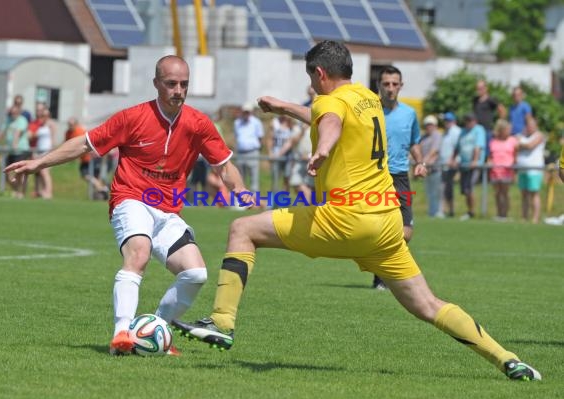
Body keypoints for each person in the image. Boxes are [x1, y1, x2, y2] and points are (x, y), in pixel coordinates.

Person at [171, 40, 540, 381]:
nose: (313, 88)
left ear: (319, 74)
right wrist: (284, 107)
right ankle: (507, 359)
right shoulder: (367, 98)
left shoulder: (328, 104)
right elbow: (329, 116)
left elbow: (328, 122)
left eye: (311, 79)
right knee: (428, 304)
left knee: (243, 229)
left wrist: (324, 149)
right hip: (386, 223)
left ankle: (221, 322)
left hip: (346, 219)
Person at [5, 55, 253, 356]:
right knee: (139, 254)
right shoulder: (133, 118)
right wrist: (40, 162)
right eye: (171, 83)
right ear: (156, 84)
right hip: (131, 199)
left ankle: (155, 331)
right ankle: (121, 333)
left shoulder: (198, 123)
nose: (178, 90)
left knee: (196, 273)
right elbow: (86, 144)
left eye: (184, 84)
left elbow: (224, 165)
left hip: (168, 212)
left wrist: (239, 189)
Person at [372, 65, 426, 289]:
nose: (390, 88)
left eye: (395, 84)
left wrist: (420, 162)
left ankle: (383, 272)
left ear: (401, 86)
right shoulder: (370, 111)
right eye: (386, 84)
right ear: (379, 86)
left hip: (400, 176)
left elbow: (414, 142)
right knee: (377, 228)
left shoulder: (409, 114)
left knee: (406, 232)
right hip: (374, 176)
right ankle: (382, 278)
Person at [450, 113, 486, 220]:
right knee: (465, 189)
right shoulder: (463, 131)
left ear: (475, 121)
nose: (468, 123)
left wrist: (475, 160)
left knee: (469, 187)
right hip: (464, 164)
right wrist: (453, 159)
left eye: (470, 120)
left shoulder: (479, 130)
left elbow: (477, 146)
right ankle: (469, 211)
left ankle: (471, 212)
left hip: (474, 165)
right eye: (466, 120)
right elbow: (457, 147)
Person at [65, 117, 109, 199]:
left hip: (91, 157)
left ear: (76, 124)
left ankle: (102, 191)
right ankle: (102, 191)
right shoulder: (68, 133)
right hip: (84, 158)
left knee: (87, 175)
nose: (70, 126)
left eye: (71, 124)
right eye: (69, 124)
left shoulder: (79, 131)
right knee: (88, 176)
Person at [516, 116, 546, 224]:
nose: (530, 127)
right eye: (528, 125)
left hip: (534, 170)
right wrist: (521, 144)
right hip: (522, 169)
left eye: (532, 125)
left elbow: (530, 145)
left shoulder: (539, 135)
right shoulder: (522, 135)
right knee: (523, 194)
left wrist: (521, 144)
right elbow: (515, 146)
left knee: (534, 193)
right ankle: (524, 217)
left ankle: (535, 218)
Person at [0, 105, 30, 198]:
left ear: (18, 113)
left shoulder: (22, 120)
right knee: (6, 173)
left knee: (19, 173)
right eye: (11, 113)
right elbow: (2, 132)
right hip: (10, 152)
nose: (13, 114)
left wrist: (15, 143)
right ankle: (16, 190)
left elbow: (18, 132)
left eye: (15, 113)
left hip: (21, 150)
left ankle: (21, 193)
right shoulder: (8, 120)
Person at [488, 119, 518, 221]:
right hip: (495, 171)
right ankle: (499, 213)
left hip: (507, 171)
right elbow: (490, 155)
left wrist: (514, 170)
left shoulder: (512, 140)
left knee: (505, 193)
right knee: (497, 193)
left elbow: (515, 156)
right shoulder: (493, 141)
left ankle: (505, 214)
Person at [234, 102, 264, 192]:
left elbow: (260, 137)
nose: (246, 114)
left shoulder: (256, 122)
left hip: (252, 152)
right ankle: (241, 201)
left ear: (251, 112)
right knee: (240, 178)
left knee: (254, 178)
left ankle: (255, 201)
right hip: (240, 152)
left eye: (248, 112)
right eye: (245, 112)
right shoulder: (237, 123)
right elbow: (236, 136)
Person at [31, 103, 57, 199]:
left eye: (45, 115)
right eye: (42, 115)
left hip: (47, 150)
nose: (43, 117)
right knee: (39, 172)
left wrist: (52, 151)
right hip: (39, 151)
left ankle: (48, 192)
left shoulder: (51, 124)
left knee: (45, 172)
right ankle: (41, 191)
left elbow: (53, 139)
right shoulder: (41, 125)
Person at [473, 79, 505, 155]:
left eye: (481, 88)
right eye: (478, 88)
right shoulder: (475, 100)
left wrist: (498, 126)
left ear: (486, 88)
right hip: (477, 130)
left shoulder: (491, 99)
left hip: (487, 130)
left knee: (487, 152)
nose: (479, 90)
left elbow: (502, 110)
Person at [438, 112, 461, 217]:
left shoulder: (456, 132)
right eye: (446, 120)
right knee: (445, 188)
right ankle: (446, 210)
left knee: (448, 187)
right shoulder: (445, 132)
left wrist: (455, 160)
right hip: (444, 165)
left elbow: (458, 148)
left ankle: (449, 210)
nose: (447, 122)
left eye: (449, 120)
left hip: (452, 164)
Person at [420, 115, 442, 217]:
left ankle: (438, 211)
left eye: (431, 125)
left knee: (437, 192)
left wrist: (424, 162)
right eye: (427, 125)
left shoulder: (437, 135)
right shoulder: (423, 137)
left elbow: (434, 150)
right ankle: (432, 211)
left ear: (435, 125)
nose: (429, 127)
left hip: (435, 169)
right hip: (426, 170)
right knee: (429, 192)